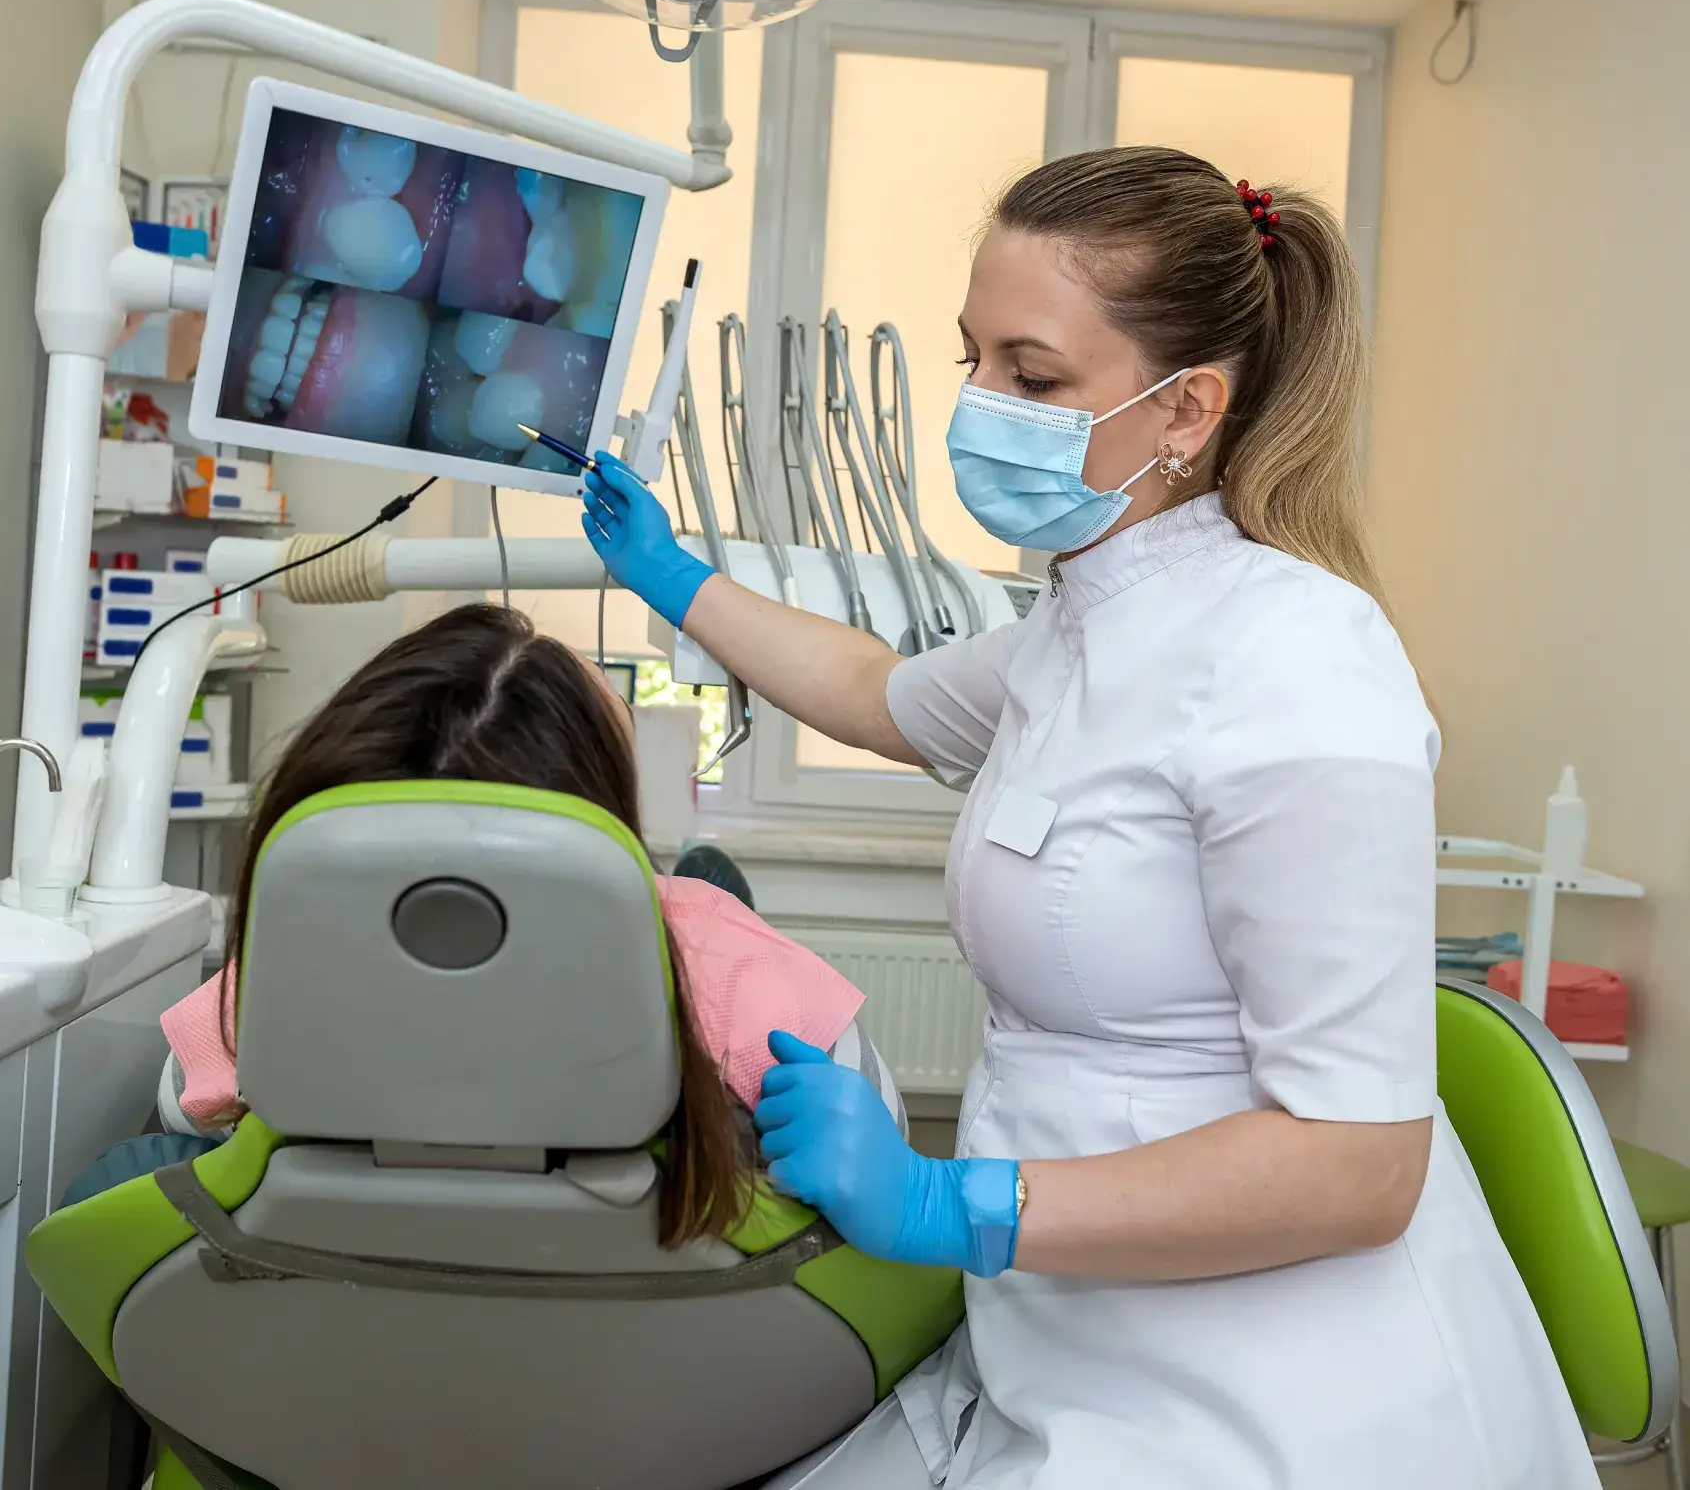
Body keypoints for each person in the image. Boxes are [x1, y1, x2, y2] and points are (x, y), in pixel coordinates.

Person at [582, 148, 1598, 1487]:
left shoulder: (1297, 660)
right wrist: (671, 575)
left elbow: (1358, 1165)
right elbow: (878, 693)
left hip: (1265, 1381)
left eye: (1033, 374)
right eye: (974, 362)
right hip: (1064, 1320)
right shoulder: (1080, 620)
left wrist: (946, 1201)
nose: (981, 409)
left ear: (1185, 409)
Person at [65, 604, 903, 1237]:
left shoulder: (283, 972)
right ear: (602, 805)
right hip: (642, 1372)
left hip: (359, 1348)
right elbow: (878, 1140)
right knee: (707, 888)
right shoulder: (736, 972)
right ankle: (687, 882)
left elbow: (179, 1102)